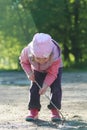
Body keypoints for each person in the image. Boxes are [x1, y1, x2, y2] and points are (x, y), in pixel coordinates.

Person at [19, 33, 63, 122]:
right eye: (38, 58)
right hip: (36, 70)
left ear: (50, 54)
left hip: (53, 70)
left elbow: (52, 74)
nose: (42, 61)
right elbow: (24, 62)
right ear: (33, 54)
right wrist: (29, 73)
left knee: (56, 88)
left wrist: (45, 85)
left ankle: (55, 111)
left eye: (45, 58)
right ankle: (33, 110)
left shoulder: (55, 56)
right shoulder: (27, 51)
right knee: (34, 88)